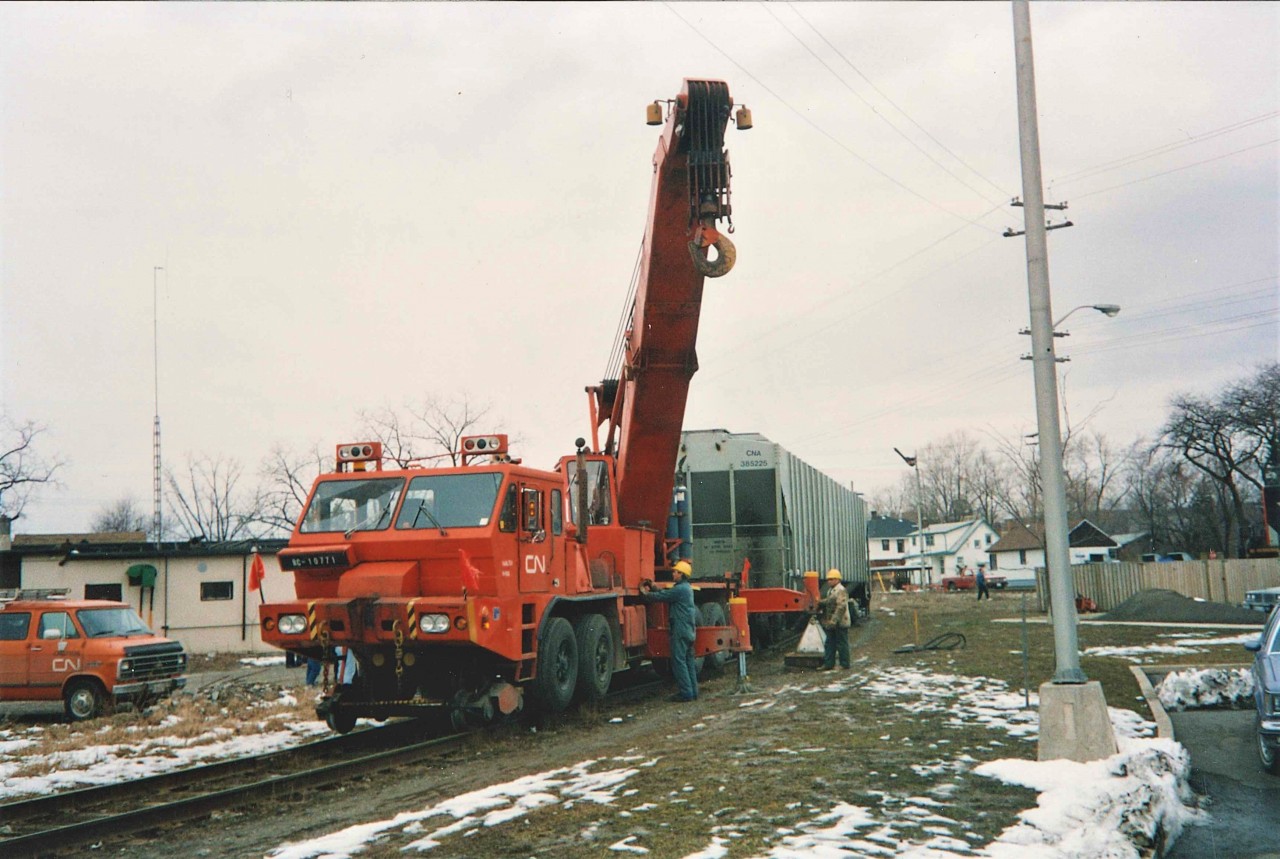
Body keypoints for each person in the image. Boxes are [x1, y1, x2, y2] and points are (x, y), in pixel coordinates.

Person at [641, 559, 698, 701]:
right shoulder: (685, 588)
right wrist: (654, 587)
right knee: (688, 661)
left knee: (679, 661)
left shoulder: (680, 589)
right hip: (688, 630)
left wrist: (645, 594)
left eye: (675, 572)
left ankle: (685, 694)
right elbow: (668, 594)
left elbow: (662, 596)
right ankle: (693, 692)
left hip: (680, 630)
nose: (673, 574)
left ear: (682, 574)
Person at [817, 568, 851, 670]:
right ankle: (828, 664)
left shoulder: (841, 590)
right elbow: (829, 601)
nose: (829, 581)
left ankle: (844, 664)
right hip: (832, 622)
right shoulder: (831, 591)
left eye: (831, 579)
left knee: (841, 644)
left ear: (837, 580)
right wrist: (819, 602)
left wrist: (834, 620)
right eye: (828, 579)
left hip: (840, 622)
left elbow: (841, 607)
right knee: (829, 643)